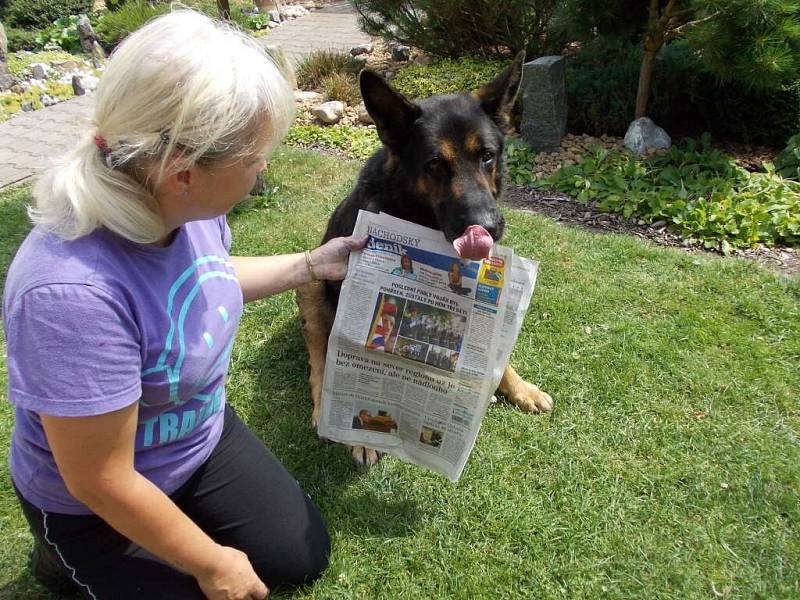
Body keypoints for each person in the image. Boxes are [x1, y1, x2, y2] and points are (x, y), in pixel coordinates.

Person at [3, 10, 367, 600]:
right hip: (94, 502)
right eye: (253, 159)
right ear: (182, 173)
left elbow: (207, 279)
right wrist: (212, 562)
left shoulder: (184, 211)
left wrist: (311, 264)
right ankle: (60, 558)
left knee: (298, 555)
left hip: (195, 438)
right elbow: (100, 478)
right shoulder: (68, 295)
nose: (264, 168)